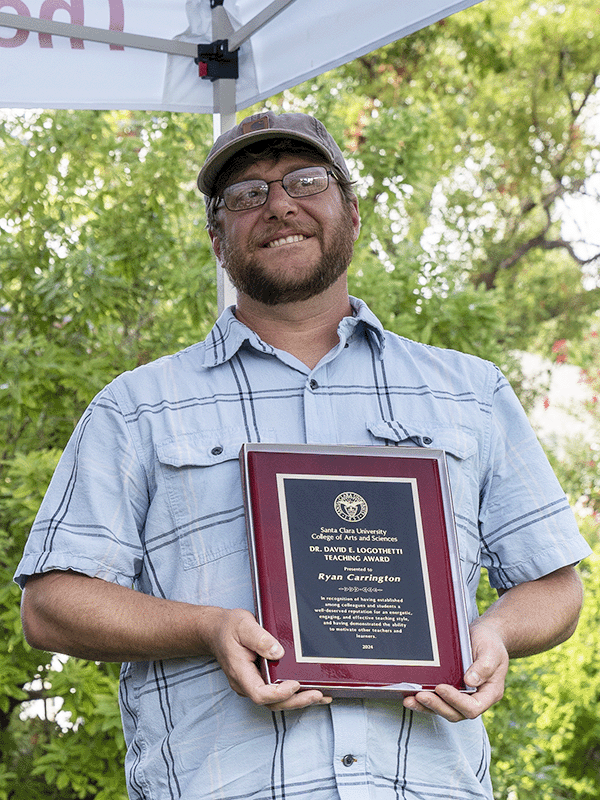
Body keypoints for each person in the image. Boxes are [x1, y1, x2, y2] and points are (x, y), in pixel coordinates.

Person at [15, 111, 591, 800]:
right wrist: (207, 629)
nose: (278, 204)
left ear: (351, 208)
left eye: (304, 180)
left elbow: (556, 585)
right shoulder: (135, 408)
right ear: (216, 237)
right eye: (245, 194)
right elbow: (50, 606)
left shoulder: (470, 392)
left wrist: (493, 633)